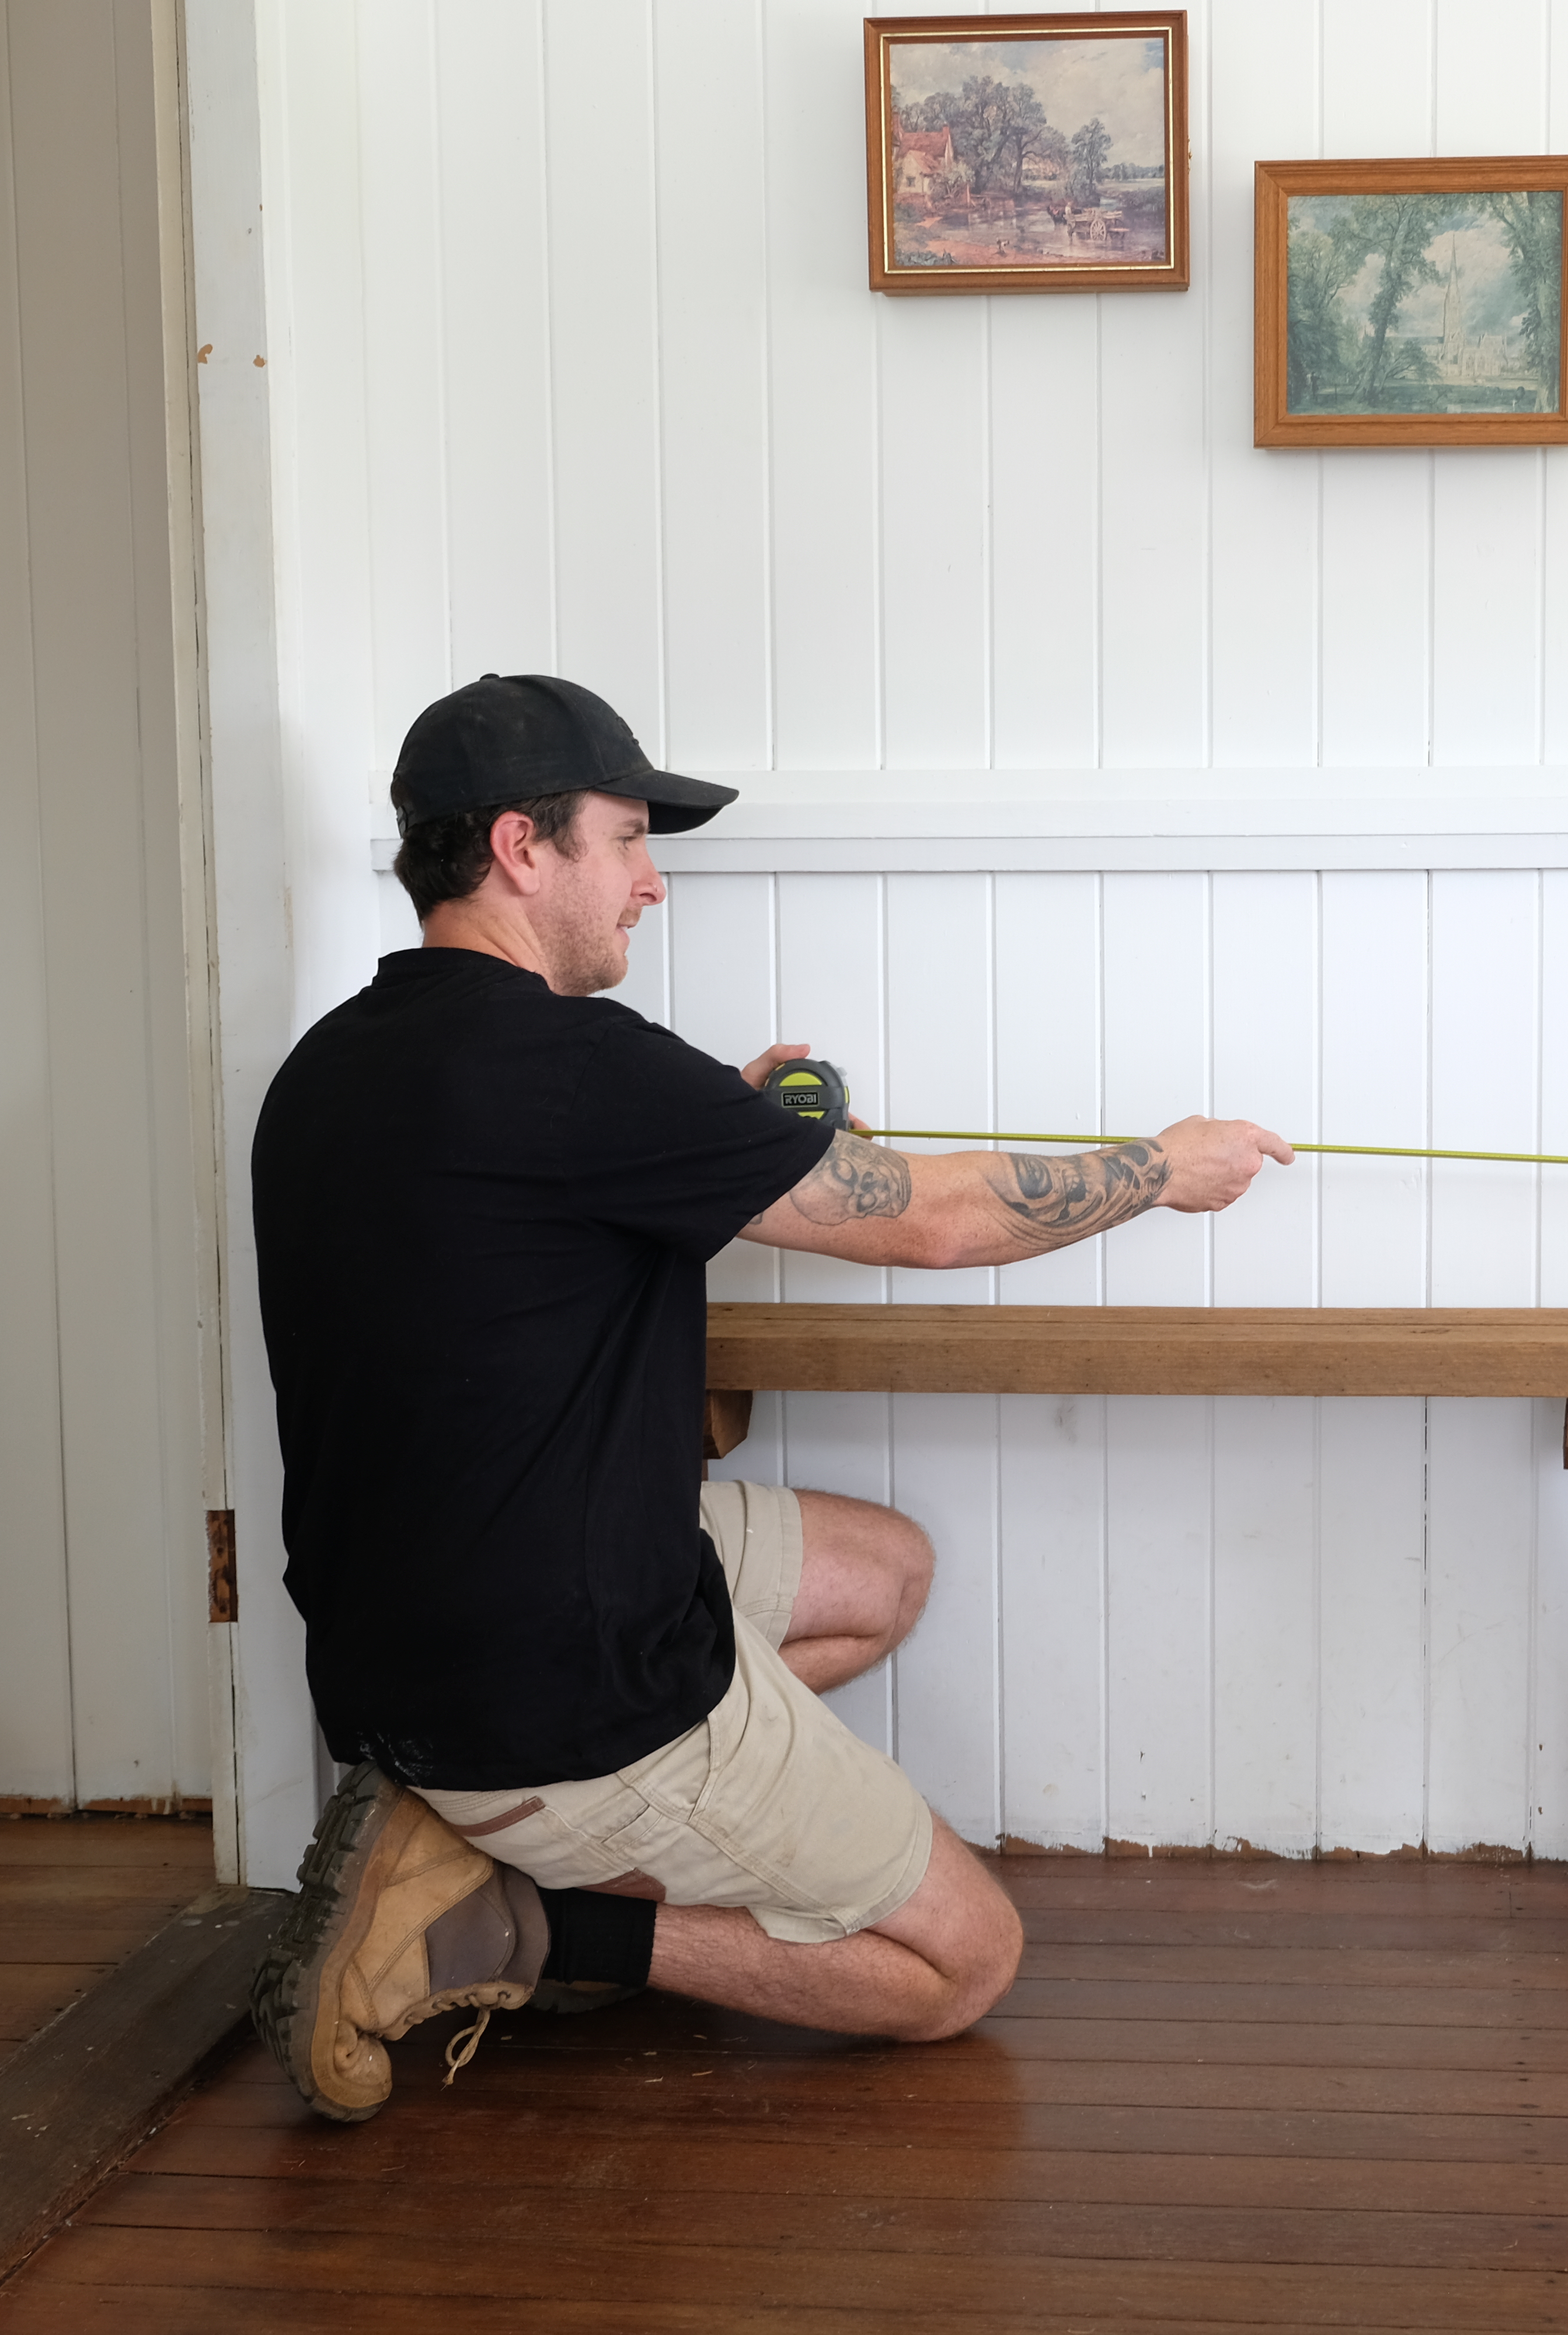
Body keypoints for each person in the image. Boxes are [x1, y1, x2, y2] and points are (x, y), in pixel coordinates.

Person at [243, 673, 1289, 2122]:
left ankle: (464, 1827)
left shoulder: (329, 1068)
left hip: (395, 1661)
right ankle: (514, 1922)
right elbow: (931, 1220)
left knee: (883, 1571)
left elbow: (524, 1208)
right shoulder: (576, 1071)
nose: (652, 881)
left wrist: (717, 1125)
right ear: (520, 847)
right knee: (962, 1965)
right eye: (624, 838)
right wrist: (1161, 1168)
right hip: (573, 1692)